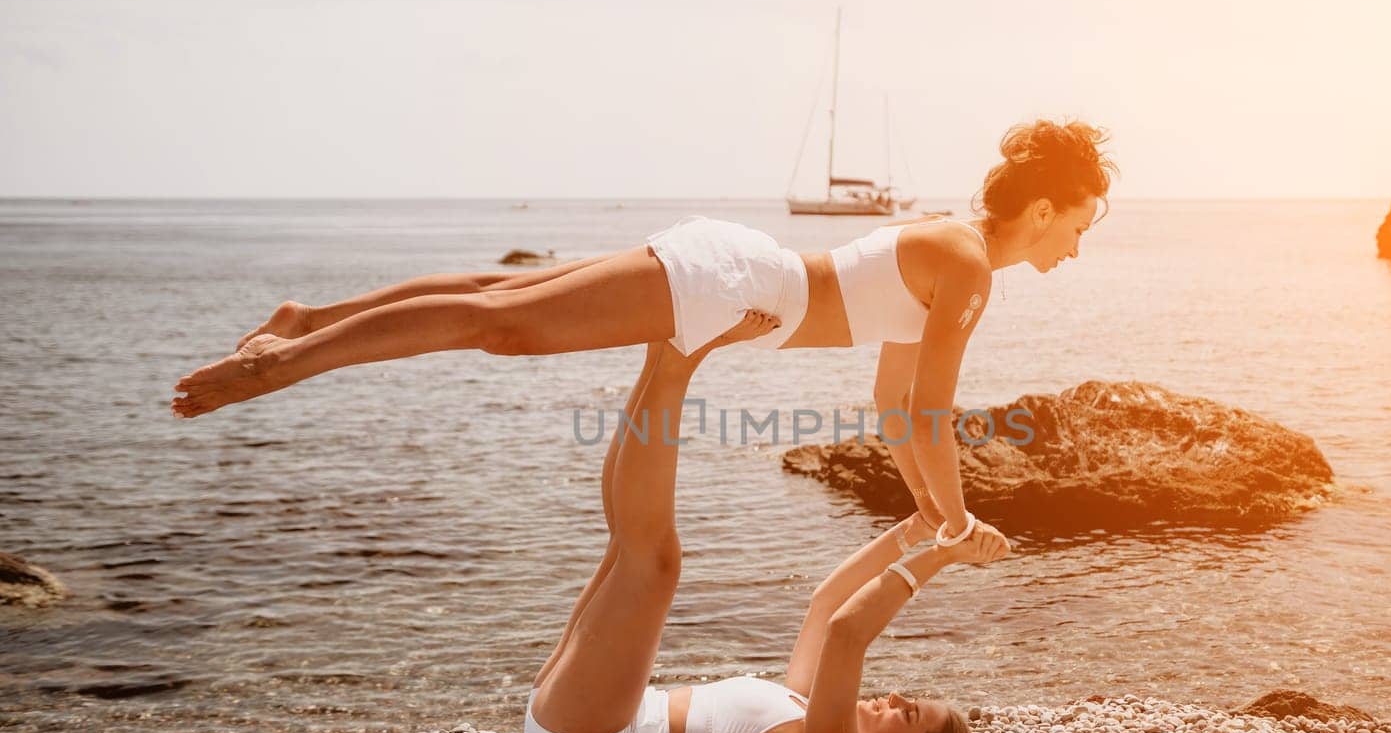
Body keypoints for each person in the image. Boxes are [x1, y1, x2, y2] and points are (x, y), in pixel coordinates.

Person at [171, 117, 1115, 545]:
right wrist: (953, 517)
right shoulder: (965, 267)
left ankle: (308, 322)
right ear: (1042, 207)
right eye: (1080, 222)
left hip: (735, 272)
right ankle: (287, 360)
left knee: (495, 292)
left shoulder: (952, 247)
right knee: (502, 324)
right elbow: (926, 417)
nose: (1078, 246)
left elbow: (891, 406)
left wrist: (925, 511)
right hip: (729, 285)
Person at [523, 313, 1009, 733]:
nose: (897, 697)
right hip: (585, 718)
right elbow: (827, 604)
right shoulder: (805, 704)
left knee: (656, 563)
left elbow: (847, 634)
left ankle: (680, 359)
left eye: (908, 715)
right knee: (627, 543)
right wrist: (915, 530)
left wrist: (941, 559)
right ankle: (664, 351)